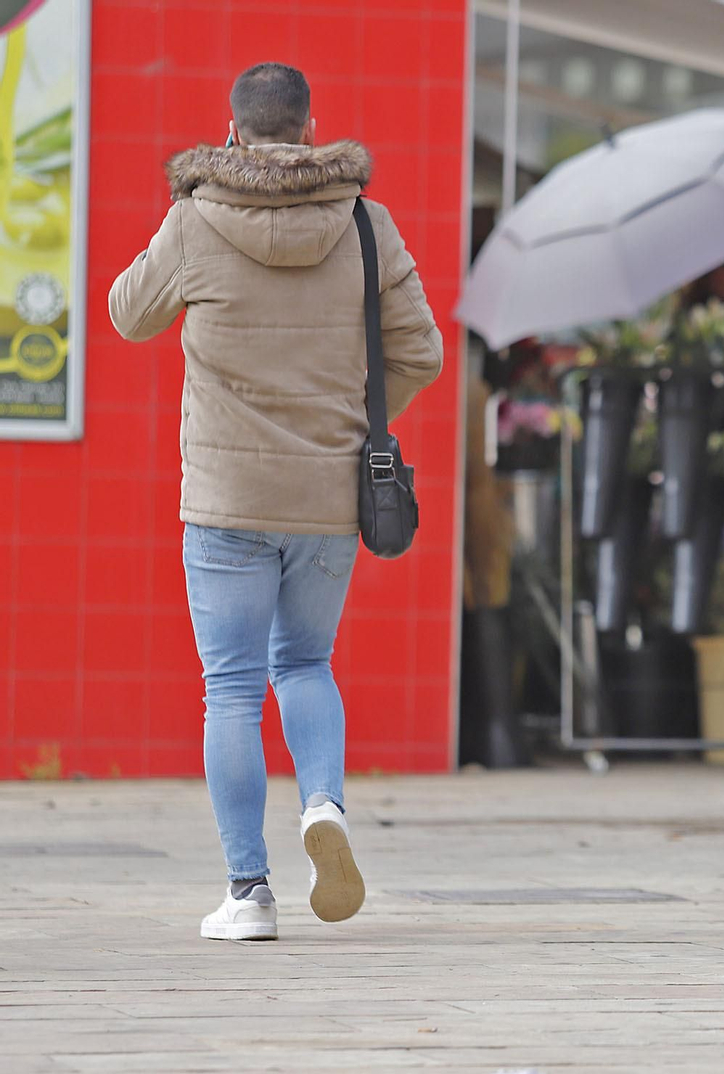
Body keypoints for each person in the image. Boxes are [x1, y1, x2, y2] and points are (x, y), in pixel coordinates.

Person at [108, 63, 444, 941]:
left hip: (224, 497)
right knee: (304, 664)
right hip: (327, 497)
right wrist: (351, 417)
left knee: (231, 687)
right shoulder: (369, 226)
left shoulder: (193, 220)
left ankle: (248, 893)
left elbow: (126, 316)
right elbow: (423, 353)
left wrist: (182, 219)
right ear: (309, 127)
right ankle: (322, 807)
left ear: (233, 131)